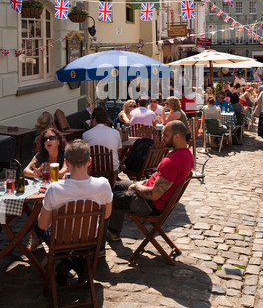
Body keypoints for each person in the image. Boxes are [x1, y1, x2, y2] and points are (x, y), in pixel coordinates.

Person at [37, 140, 113, 284]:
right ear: (89, 161)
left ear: (66, 162)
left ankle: (68, 261)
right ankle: (74, 261)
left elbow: (42, 225)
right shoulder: (103, 184)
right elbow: (107, 215)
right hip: (90, 238)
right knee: (73, 234)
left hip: (60, 239)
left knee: (39, 228)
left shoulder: (54, 189)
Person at [106, 121, 194, 241]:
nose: (162, 137)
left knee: (109, 199)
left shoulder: (172, 161)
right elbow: (158, 179)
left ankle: (100, 240)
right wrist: (141, 183)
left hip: (150, 205)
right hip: (151, 194)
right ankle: (113, 232)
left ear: (177, 136)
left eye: (166, 135)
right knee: (117, 185)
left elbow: (154, 194)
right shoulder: (187, 154)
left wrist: (136, 187)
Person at [82, 107, 122, 180]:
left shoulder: (86, 134)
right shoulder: (115, 132)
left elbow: (85, 153)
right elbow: (119, 150)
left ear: (94, 120)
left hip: (93, 170)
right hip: (112, 169)